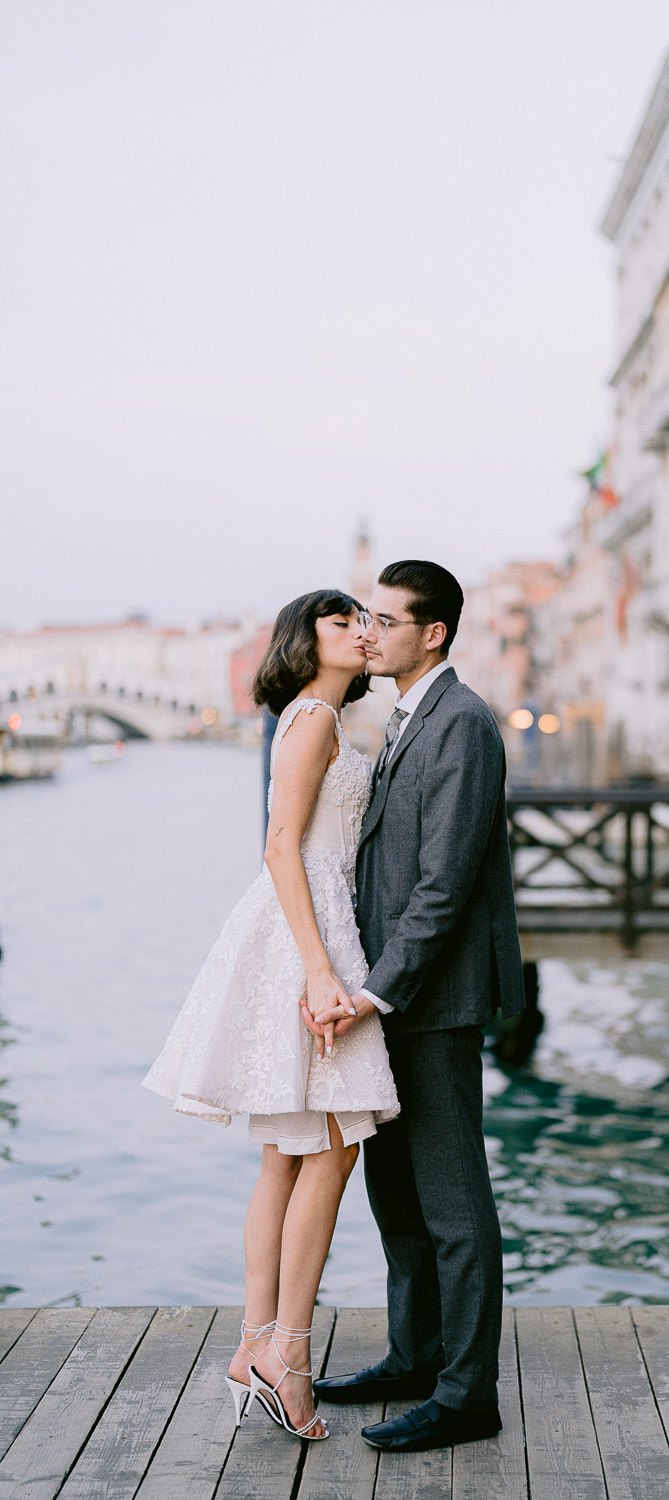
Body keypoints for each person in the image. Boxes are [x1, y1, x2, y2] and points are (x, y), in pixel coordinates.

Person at [143, 589, 399, 1443]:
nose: (362, 631)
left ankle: (259, 1344)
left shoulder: (314, 714)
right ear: (305, 638)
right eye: (343, 622)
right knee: (330, 1148)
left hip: (310, 924)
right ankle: (287, 1353)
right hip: (309, 932)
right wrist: (321, 969)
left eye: (367, 620)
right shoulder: (316, 719)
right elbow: (281, 844)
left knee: (288, 1156)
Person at [306, 559, 525, 1454]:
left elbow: (443, 883)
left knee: (453, 1202)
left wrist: (374, 990)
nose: (371, 632)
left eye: (387, 621)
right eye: (367, 617)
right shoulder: (401, 717)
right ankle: (414, 1356)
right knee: (396, 1192)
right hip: (391, 995)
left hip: (430, 999)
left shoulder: (463, 724)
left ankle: (468, 1394)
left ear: (432, 633)